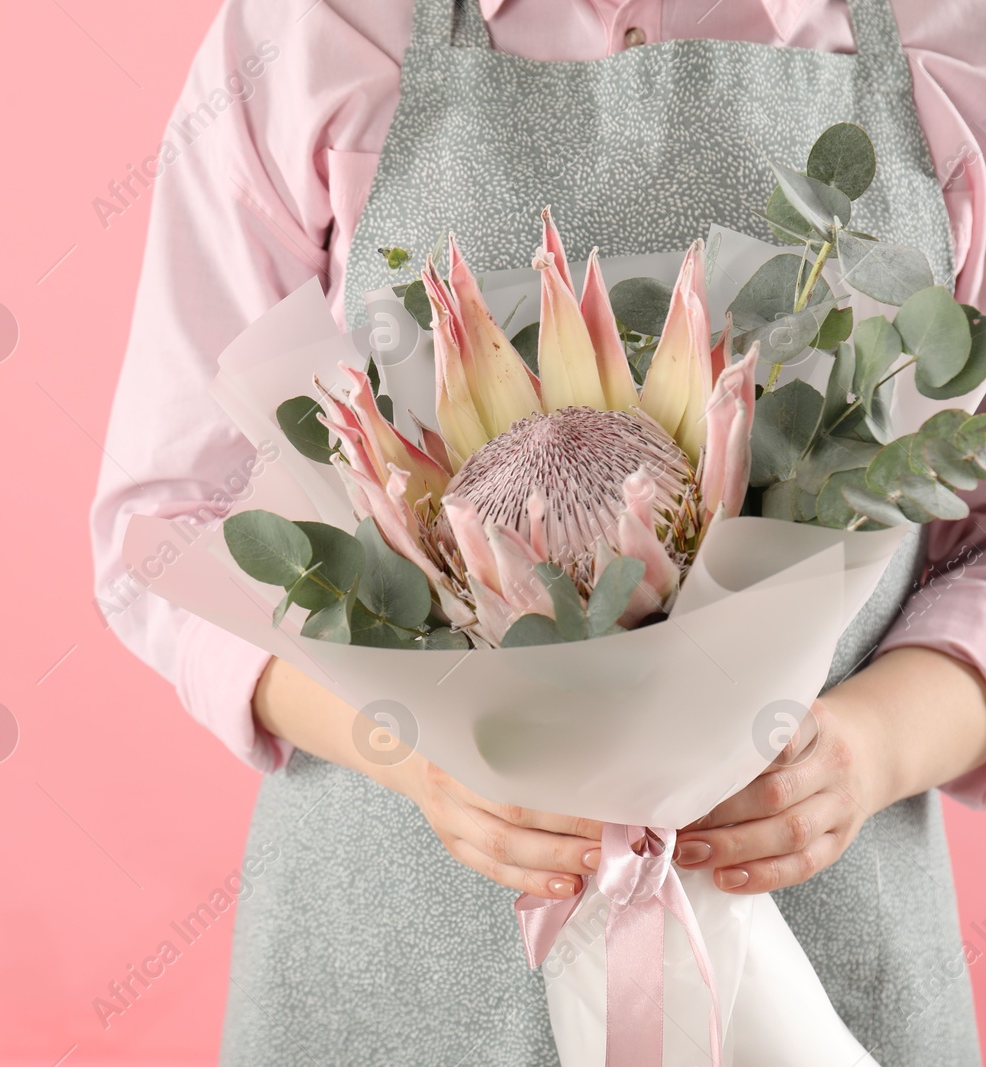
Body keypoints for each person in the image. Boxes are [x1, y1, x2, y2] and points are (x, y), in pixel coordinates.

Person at [90, 0, 986, 1061]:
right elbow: (167, 522)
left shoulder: (951, 39)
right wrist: (407, 747)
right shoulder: (314, 28)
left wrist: (876, 742)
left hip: (825, 932)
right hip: (390, 962)